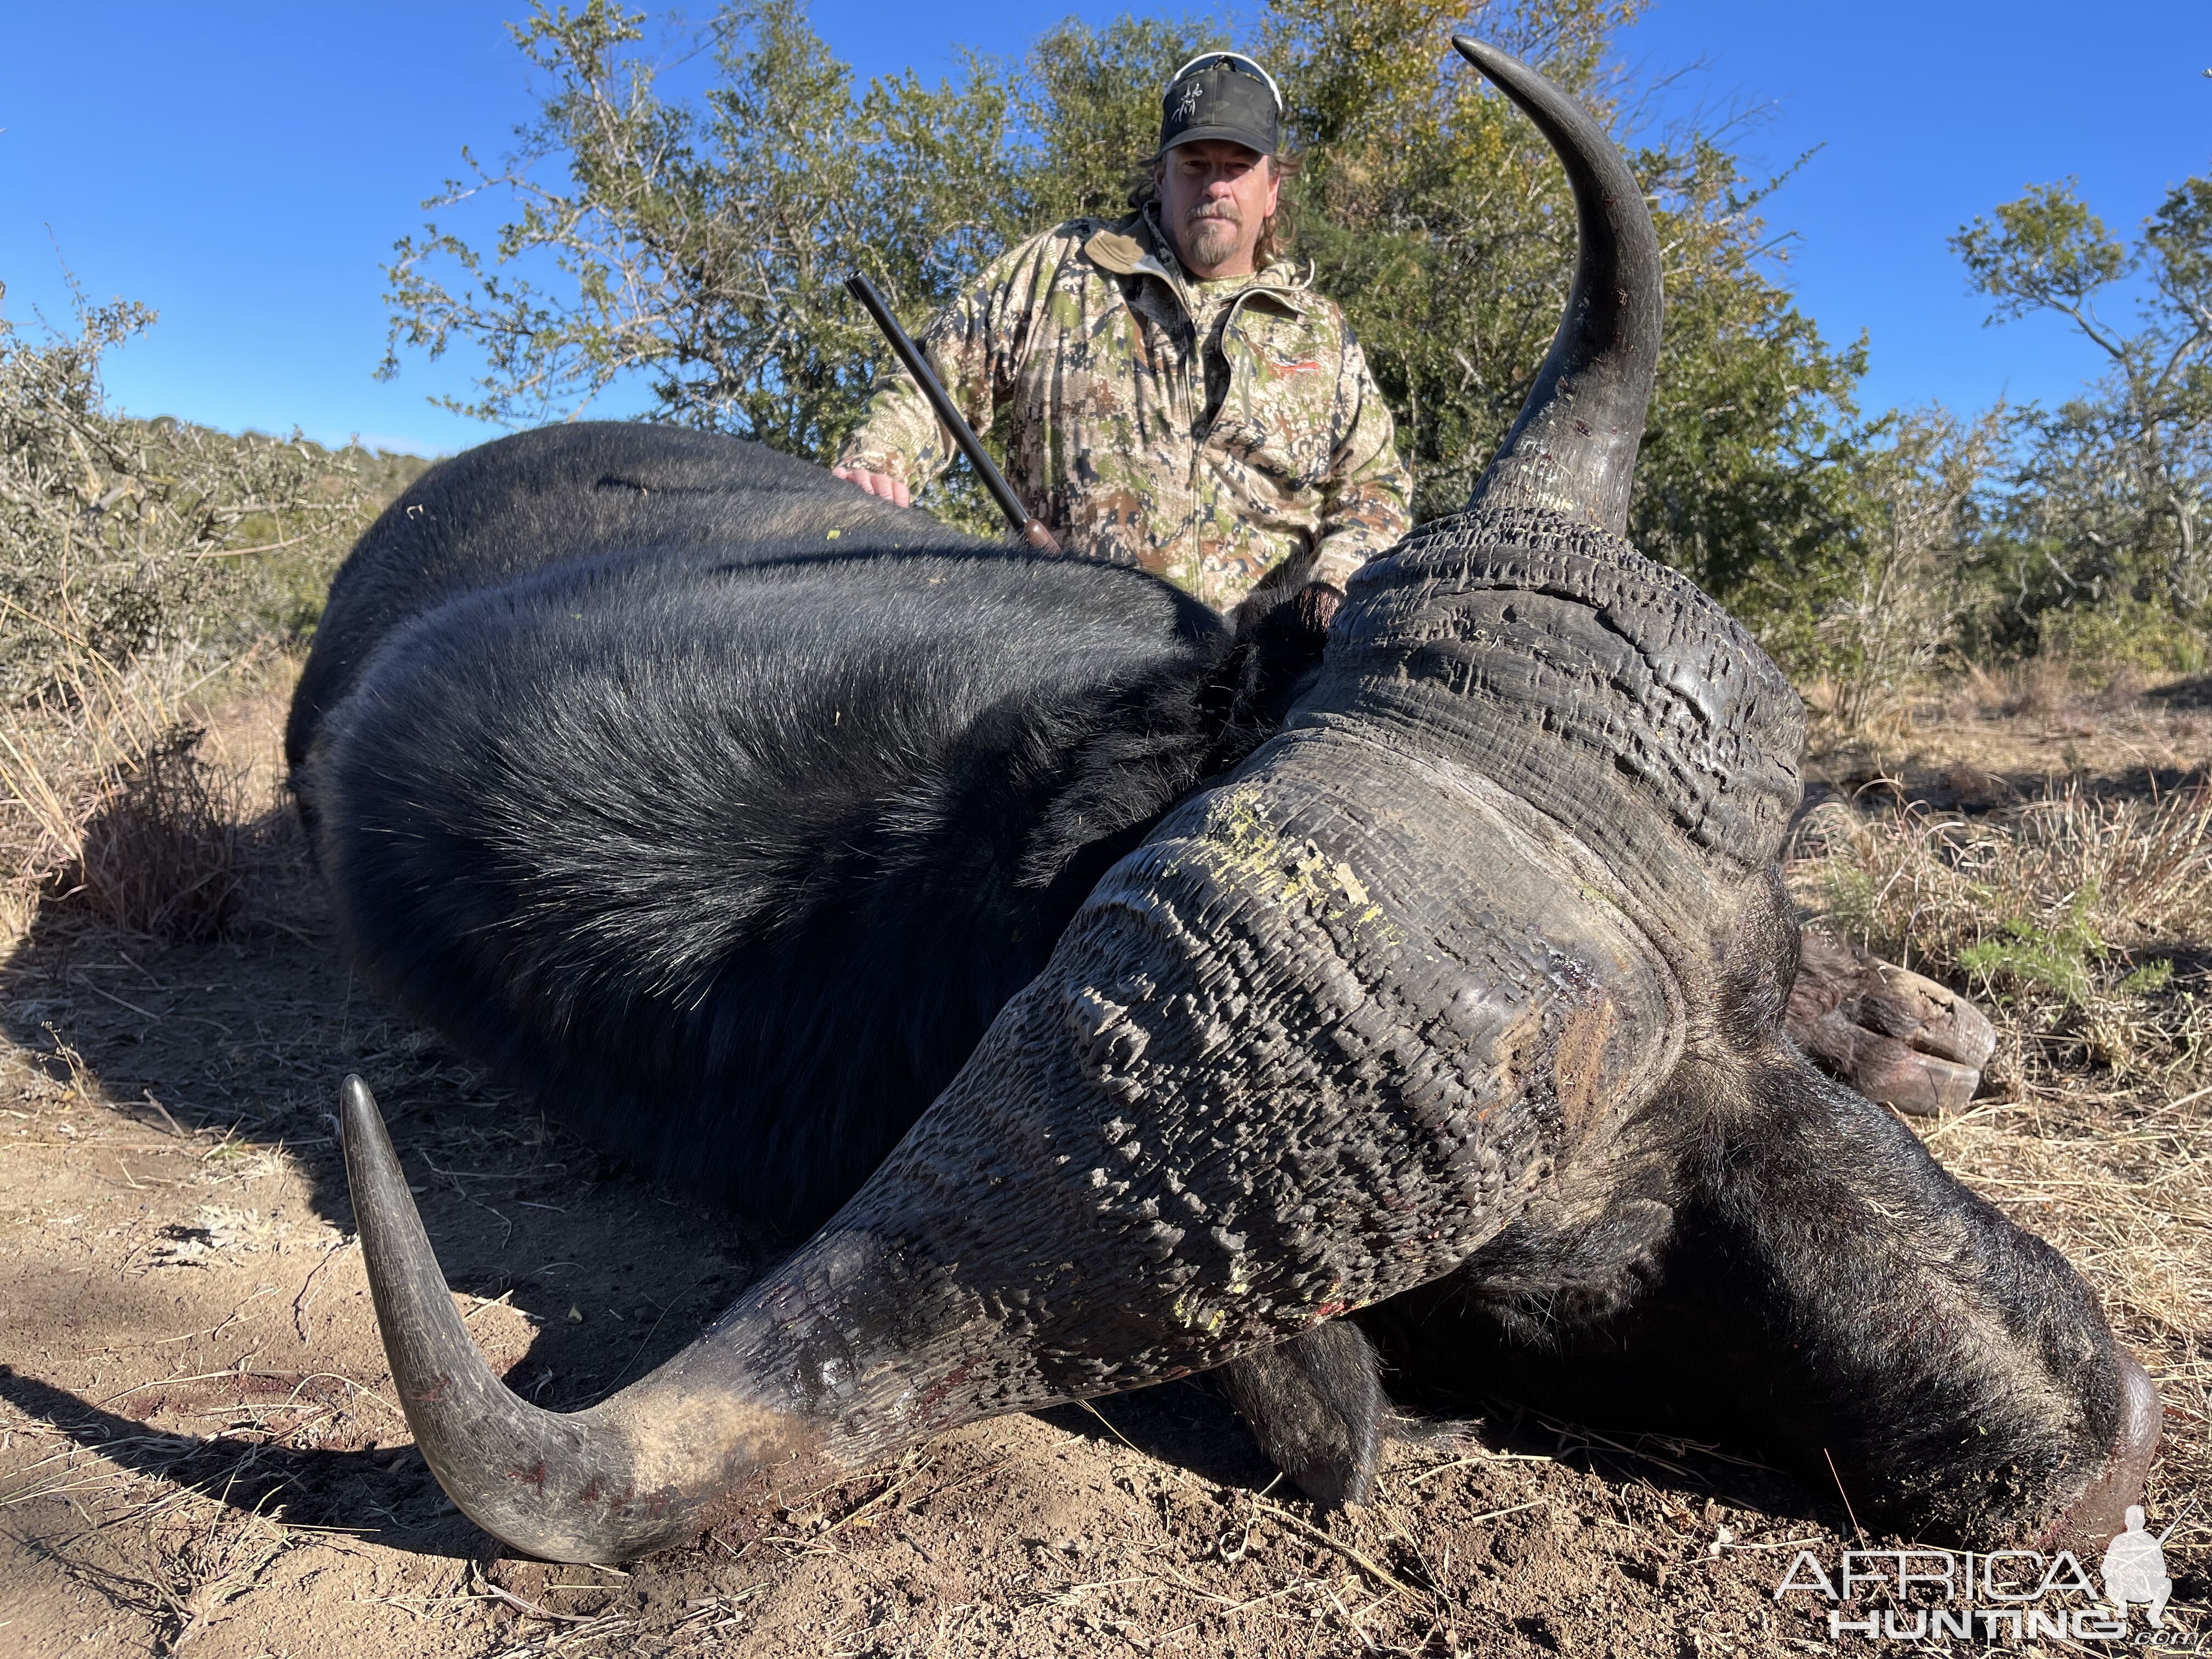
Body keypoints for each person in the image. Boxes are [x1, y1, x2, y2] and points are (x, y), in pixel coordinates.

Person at [833, 50, 1413, 619]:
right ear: (1161, 177)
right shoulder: (1062, 268)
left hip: (1265, 682)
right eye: (1195, 165)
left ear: (1273, 192)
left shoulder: (1320, 334)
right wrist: (879, 462)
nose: (1216, 186)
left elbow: (1375, 489)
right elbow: (932, 380)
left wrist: (1333, 588)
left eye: (1237, 166)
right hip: (1069, 652)